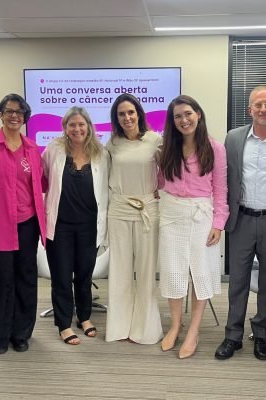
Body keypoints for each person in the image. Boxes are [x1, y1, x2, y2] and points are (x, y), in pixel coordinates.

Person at [215, 86, 266, 361]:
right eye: (258, 105)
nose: (263, 109)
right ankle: (233, 335)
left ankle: (262, 333)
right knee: (237, 280)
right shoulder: (234, 138)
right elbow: (224, 179)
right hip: (242, 219)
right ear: (249, 109)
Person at [0, 93, 46, 355]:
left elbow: (40, 184)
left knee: (26, 279)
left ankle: (21, 334)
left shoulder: (32, 148)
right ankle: (0, 337)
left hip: (27, 224)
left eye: (20, 112)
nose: (15, 115)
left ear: (25, 117)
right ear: (1, 114)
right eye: (9, 111)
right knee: (0, 283)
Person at [158, 95, 228, 359]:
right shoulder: (167, 147)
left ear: (198, 114)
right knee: (173, 272)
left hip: (202, 217)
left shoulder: (215, 148)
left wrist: (218, 224)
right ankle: (176, 325)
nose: (184, 120)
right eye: (177, 116)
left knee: (201, 273)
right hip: (171, 216)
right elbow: (160, 182)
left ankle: (194, 331)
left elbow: (220, 189)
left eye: (188, 113)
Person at [42, 106, 109, 345]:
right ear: (65, 127)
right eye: (72, 125)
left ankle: (84, 317)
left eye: (81, 124)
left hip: (89, 227)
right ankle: (63, 324)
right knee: (61, 276)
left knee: (84, 275)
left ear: (89, 127)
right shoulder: (53, 149)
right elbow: (42, 178)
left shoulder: (101, 153)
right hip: (60, 226)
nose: (77, 129)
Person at [105, 93, 163, 344]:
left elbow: (169, 173)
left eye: (131, 112)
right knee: (120, 271)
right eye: (121, 114)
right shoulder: (112, 144)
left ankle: (145, 329)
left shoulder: (155, 140)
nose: (127, 117)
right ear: (116, 118)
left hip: (147, 210)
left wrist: (162, 192)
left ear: (139, 113)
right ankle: (119, 328)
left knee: (146, 271)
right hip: (119, 210)